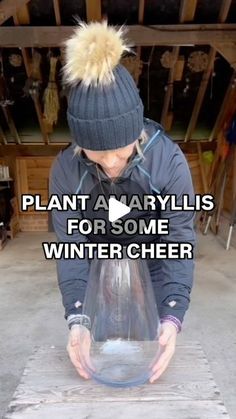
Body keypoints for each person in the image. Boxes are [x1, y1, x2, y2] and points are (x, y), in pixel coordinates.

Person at [50, 21, 195, 383]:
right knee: (99, 349)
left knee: (147, 351)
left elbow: (178, 241)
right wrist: (78, 317)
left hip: (152, 267)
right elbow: (71, 246)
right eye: (98, 157)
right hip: (99, 272)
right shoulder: (66, 170)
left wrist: (172, 315)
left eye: (119, 152)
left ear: (137, 133)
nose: (111, 165)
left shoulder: (169, 163)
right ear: (80, 146)